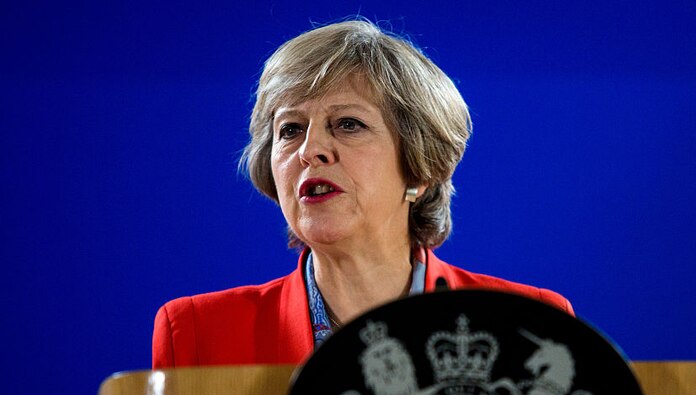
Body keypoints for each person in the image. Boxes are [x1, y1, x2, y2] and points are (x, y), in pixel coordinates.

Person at [152, 20, 573, 368]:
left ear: (420, 166)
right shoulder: (196, 333)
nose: (310, 149)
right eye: (290, 129)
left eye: (348, 124)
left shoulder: (531, 322)